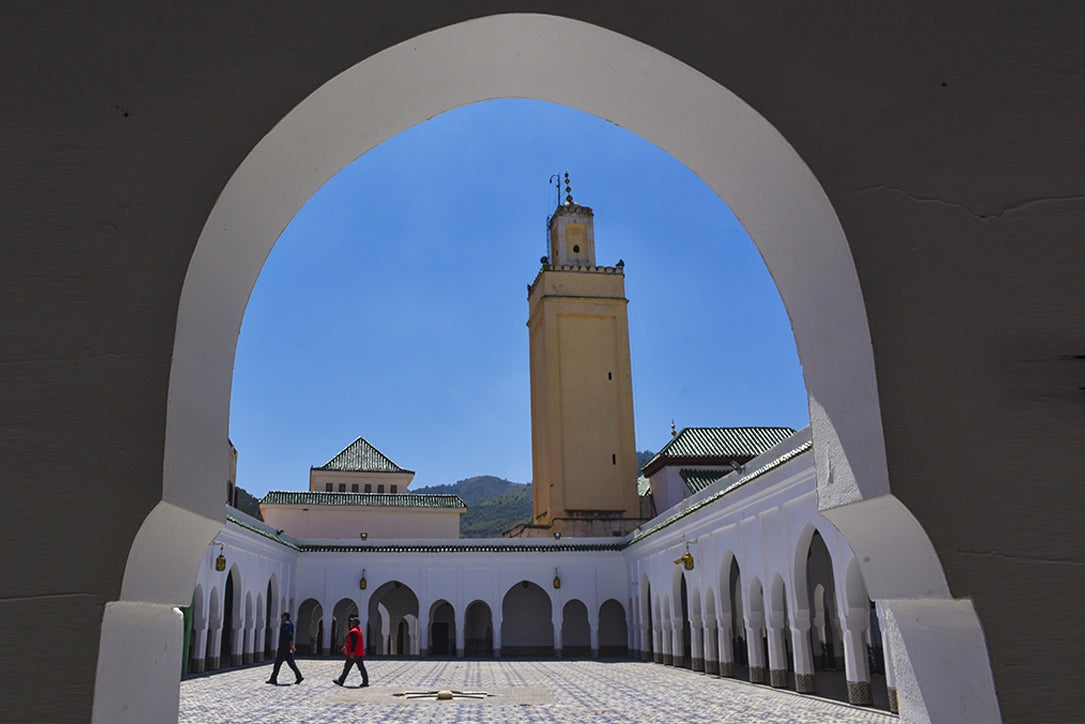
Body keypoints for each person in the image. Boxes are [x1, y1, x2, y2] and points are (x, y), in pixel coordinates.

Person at [266, 611, 304, 685]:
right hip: (286, 648)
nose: (281, 618)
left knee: (278, 663)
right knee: (291, 663)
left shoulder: (286, 624)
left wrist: (291, 645)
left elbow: (288, 635)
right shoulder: (290, 624)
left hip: (284, 647)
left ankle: (273, 678)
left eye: (282, 617)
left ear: (285, 617)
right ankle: (299, 676)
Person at [332, 615, 369, 688]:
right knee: (361, 668)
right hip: (358, 653)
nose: (350, 622)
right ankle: (365, 681)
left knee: (347, 667)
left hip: (354, 653)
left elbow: (354, 643)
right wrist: (346, 647)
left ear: (354, 623)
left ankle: (341, 681)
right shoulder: (359, 630)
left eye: (352, 621)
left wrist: (351, 652)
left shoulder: (353, 631)